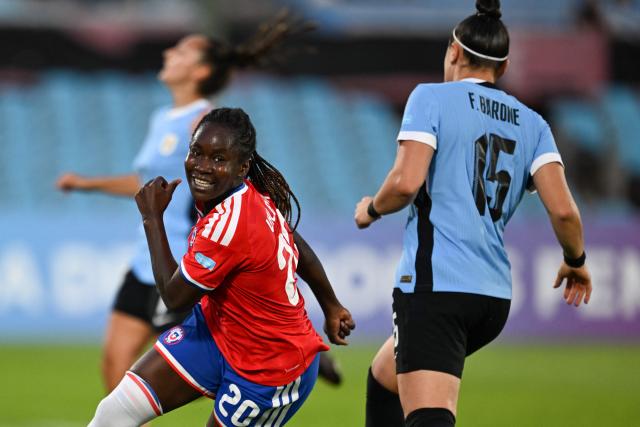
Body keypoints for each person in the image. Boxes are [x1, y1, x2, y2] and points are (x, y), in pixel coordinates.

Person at [56, 15, 342, 394]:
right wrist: (86, 183)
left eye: (182, 49)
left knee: (202, 360)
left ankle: (308, 353)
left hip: (186, 263)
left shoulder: (206, 124)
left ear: (201, 70)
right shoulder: (162, 119)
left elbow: (234, 183)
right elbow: (149, 185)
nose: (169, 52)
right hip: (147, 258)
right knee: (113, 361)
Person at [354, 1, 593, 426]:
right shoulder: (534, 123)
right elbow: (565, 213)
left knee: (430, 416)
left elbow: (406, 184)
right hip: (492, 299)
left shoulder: (430, 98)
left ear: (453, 52)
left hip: (436, 286)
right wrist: (576, 260)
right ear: (502, 67)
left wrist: (371, 209)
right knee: (384, 378)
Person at [88, 107, 355, 427]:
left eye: (218, 159)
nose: (202, 166)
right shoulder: (246, 197)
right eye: (196, 152)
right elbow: (300, 248)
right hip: (215, 334)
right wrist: (331, 304)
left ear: (242, 167)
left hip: (269, 367)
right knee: (114, 413)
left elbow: (175, 297)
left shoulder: (229, 224)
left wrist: (152, 218)